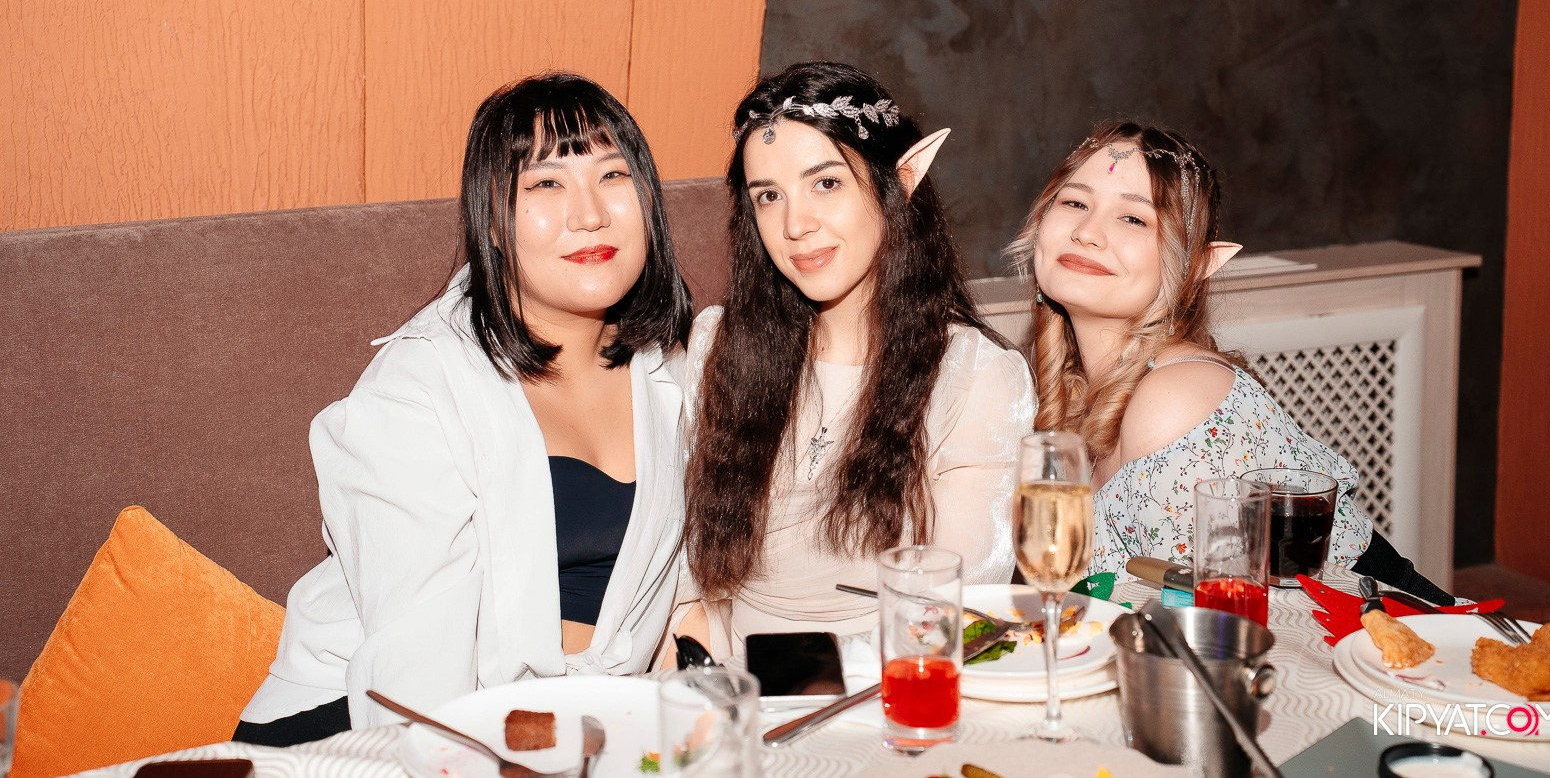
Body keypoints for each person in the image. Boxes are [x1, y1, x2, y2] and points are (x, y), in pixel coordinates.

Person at [235, 74, 694, 743]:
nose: (589, 213)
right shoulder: (420, 387)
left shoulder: (669, 366)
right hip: (376, 725)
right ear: (494, 221)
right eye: (546, 183)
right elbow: (415, 668)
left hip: (567, 722)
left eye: (612, 175)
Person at [680, 62, 1036, 659]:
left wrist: (784, 687)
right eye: (768, 196)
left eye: (825, 183)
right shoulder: (720, 345)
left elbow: (951, 612)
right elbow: (689, 582)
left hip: (885, 686)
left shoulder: (974, 377)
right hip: (727, 682)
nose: (795, 224)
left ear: (899, 182)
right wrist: (703, 684)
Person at [1014, 121, 1448, 601]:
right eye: (1075, 203)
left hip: (1390, 631)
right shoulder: (1069, 390)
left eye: (1133, 218)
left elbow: (1203, 620)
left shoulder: (1174, 397)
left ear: (1193, 266)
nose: (1086, 232)